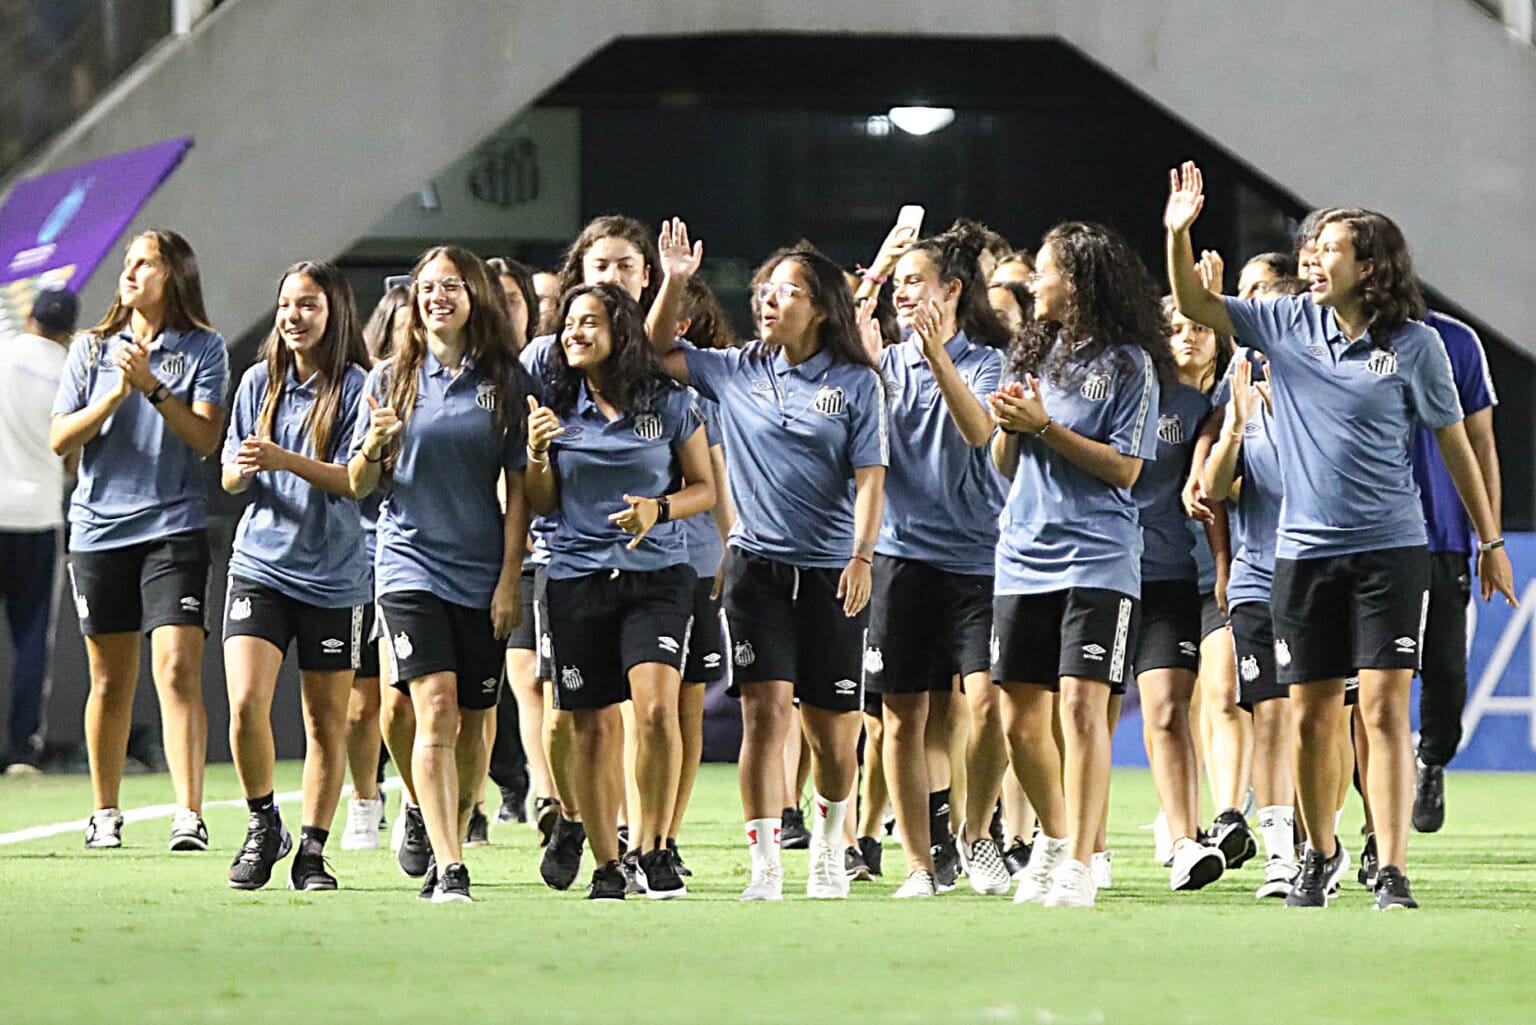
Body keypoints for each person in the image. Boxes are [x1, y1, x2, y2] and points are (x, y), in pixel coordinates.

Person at [1164, 162, 1515, 910]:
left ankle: (1391, 866)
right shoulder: (1284, 324)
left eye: (1330, 249)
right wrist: (1178, 232)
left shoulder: (1417, 346)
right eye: (1311, 248)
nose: (1313, 260)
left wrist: (1490, 540)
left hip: (1391, 550)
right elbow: (1195, 299)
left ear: (1371, 265)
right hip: (1303, 555)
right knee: (1314, 713)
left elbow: (1456, 445)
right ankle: (1318, 852)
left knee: (1385, 709)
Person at [652, 227, 888, 901]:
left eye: (786, 291)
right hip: (756, 567)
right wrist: (673, 281)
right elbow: (654, 349)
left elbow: (871, 477)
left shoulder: (855, 383)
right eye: (763, 290)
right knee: (763, 715)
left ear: (820, 307)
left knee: (833, 735)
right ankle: (766, 865)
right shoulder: (736, 369)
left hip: (832, 573)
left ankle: (829, 847)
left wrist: (862, 554)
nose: (769, 301)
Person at [348, 245, 532, 904]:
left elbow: (520, 491)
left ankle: (445, 817)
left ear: (473, 295)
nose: (437, 296)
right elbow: (357, 483)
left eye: (451, 285)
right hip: (407, 562)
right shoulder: (389, 378)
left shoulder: (505, 380)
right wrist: (374, 444)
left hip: (481, 564)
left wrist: (510, 577)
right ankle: (451, 863)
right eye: (428, 286)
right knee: (436, 705)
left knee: (476, 720)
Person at [987, 221, 1163, 910]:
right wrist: (1010, 427)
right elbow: (1003, 462)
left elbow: (1125, 469)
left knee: (1084, 710)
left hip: (1098, 557)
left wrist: (1046, 428)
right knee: (1018, 721)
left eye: (1045, 268)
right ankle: (1055, 842)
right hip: (1021, 554)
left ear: (1080, 281)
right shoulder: (1030, 353)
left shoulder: (1129, 365)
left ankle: (1082, 860)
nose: (1033, 279)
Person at [525, 283, 716, 900]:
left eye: (589, 323)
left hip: (657, 576)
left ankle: (653, 848)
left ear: (621, 333)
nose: (574, 333)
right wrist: (536, 455)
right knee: (591, 726)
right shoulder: (553, 404)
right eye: (568, 323)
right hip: (577, 577)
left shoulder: (670, 400)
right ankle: (607, 864)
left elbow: (704, 488)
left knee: (658, 709)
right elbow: (542, 502)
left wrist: (657, 510)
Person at [51, 230, 228, 851]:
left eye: (144, 262)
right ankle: (105, 812)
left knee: (178, 668)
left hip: (172, 529)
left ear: (174, 273)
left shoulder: (204, 348)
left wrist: (152, 387)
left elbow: (206, 440)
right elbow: (60, 440)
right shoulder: (91, 348)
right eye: (126, 262)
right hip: (98, 531)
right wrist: (115, 394)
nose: (130, 272)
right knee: (110, 680)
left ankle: (189, 813)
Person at [860, 220, 1010, 898]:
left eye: (913, 281)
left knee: (988, 704)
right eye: (897, 284)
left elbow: (980, 431)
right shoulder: (883, 367)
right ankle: (921, 863)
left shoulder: (989, 361)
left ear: (951, 290)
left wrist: (936, 357)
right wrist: (878, 270)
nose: (902, 293)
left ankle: (976, 833)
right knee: (903, 716)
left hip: (981, 559)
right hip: (902, 559)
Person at [220, 261, 371, 890]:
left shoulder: (362, 386)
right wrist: (246, 467)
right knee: (247, 704)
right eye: (286, 305)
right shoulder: (259, 381)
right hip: (259, 565)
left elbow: (356, 482)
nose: (293, 317)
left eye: (307, 306)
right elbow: (230, 473)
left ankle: (312, 849)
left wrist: (284, 458)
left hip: (335, 577)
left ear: (333, 313)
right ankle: (264, 825)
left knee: (323, 720)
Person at [1129, 296, 1225, 892]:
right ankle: (1069, 843)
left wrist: (1221, 569)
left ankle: (1186, 838)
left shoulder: (1199, 409)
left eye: (1196, 327)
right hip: (1100, 574)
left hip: (1169, 579)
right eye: (1173, 329)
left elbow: (1211, 499)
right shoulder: (1118, 392)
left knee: (1168, 709)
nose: (1184, 338)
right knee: (1075, 716)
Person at [1408, 307, 1500, 834]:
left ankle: (1431, 759)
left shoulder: (1454, 341)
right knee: (1368, 684)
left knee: (1444, 671)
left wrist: (1490, 538)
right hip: (1363, 539)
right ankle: (1375, 821)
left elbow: (1481, 440)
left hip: (1440, 536)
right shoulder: (1333, 336)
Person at [666, 275, 738, 876]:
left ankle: (664, 832)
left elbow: (715, 483)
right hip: (609, 563)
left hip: (693, 562)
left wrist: (729, 552)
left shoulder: (706, 394)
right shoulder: (593, 383)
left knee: (681, 707)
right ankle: (606, 821)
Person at [340, 283, 408, 854]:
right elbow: (350, 479)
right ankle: (364, 800)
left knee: (397, 699)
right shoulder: (367, 390)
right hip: (354, 555)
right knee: (360, 704)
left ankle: (415, 798)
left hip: (407, 560)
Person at [0, 287, 76, 774]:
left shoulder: (5, 351)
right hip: (38, 519)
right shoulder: (70, 371)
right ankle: (22, 751)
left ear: (29, 316)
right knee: (31, 639)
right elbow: (72, 458)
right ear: (69, 329)